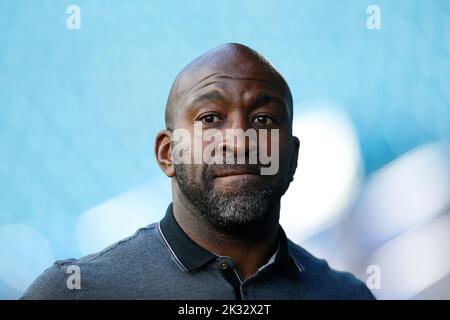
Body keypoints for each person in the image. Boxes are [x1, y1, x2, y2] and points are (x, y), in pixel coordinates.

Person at [21, 43, 374, 300]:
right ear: (167, 153)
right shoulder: (74, 291)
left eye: (264, 120)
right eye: (210, 118)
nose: (239, 141)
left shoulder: (346, 296)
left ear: (293, 157)